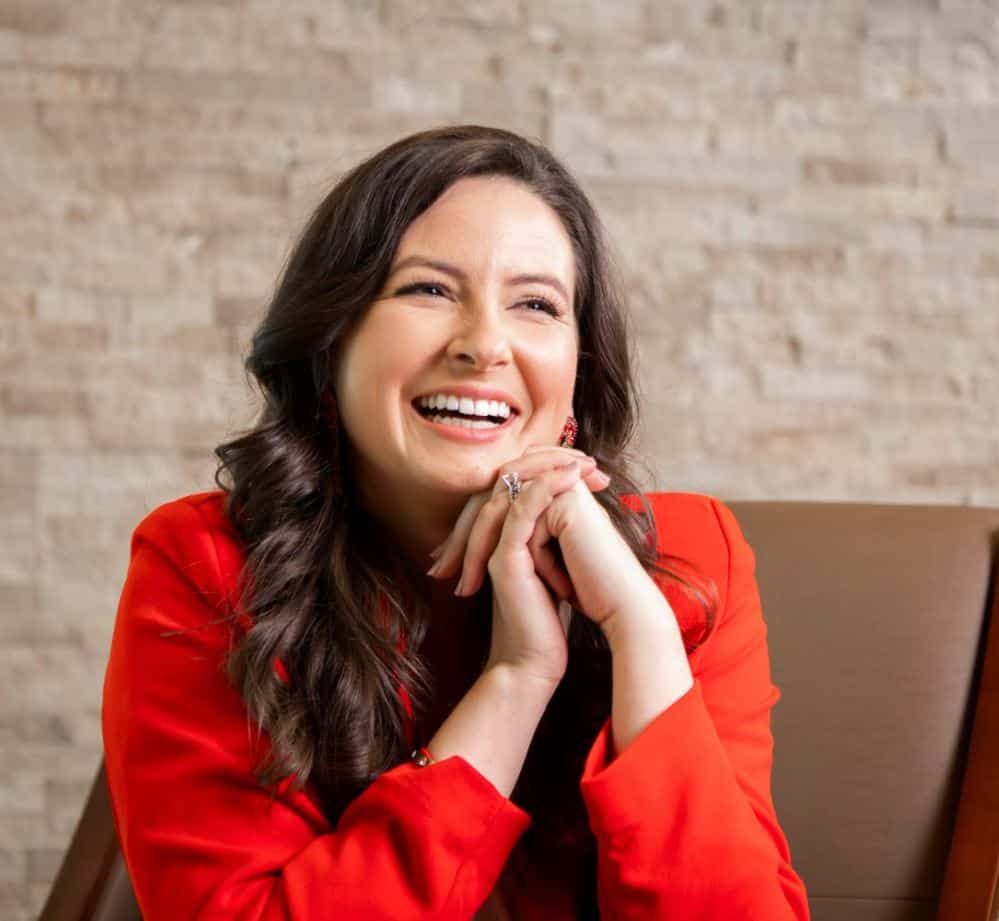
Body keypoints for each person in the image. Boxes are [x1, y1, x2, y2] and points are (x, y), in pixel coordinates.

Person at [101, 125, 811, 920]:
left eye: (536, 305)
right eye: (428, 290)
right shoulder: (205, 566)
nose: (484, 345)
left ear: (578, 377)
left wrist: (639, 632)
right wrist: (514, 682)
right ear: (331, 343)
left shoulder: (687, 563)